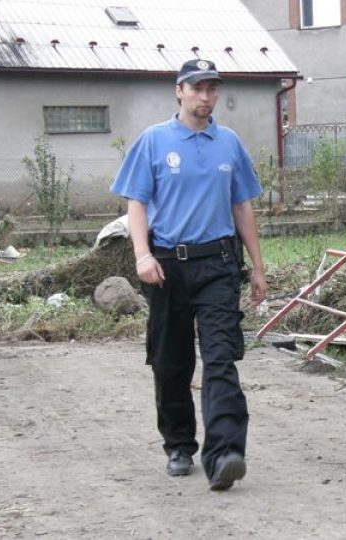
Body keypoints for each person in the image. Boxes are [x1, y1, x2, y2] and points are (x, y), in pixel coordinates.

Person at [111, 59, 268, 491]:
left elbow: (242, 206)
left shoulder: (229, 143)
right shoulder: (154, 140)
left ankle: (225, 454)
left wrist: (257, 267)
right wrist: (142, 255)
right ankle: (179, 444)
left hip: (218, 263)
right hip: (167, 266)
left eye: (212, 88)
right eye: (197, 88)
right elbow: (136, 202)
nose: (205, 96)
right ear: (179, 91)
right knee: (172, 360)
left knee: (221, 358)